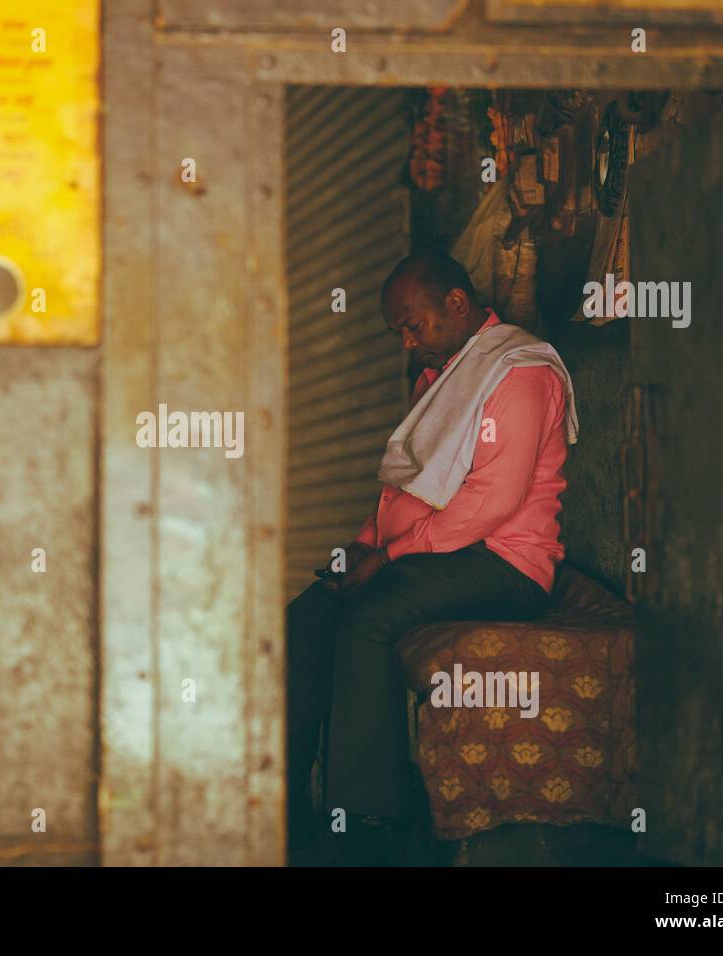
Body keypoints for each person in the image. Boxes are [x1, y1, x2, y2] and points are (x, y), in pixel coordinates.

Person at [286, 250, 579, 863]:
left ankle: (369, 823)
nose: (408, 343)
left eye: (413, 326)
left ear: (457, 303)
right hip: (436, 553)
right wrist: (365, 544)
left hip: (503, 563)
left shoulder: (517, 372)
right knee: (306, 621)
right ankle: (282, 808)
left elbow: (492, 503)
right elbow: (411, 493)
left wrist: (389, 556)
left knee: (367, 621)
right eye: (400, 333)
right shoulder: (446, 377)